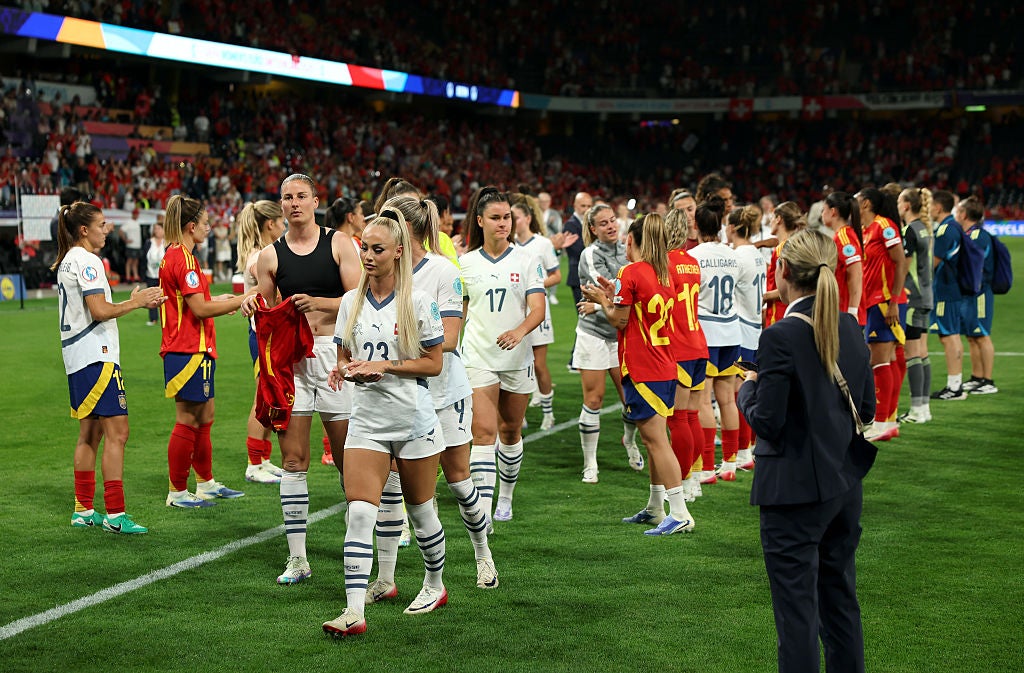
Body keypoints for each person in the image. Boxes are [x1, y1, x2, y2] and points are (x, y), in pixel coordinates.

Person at [737, 228, 874, 673]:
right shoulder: (849, 325)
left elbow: (769, 422)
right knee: (839, 604)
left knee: (797, 617)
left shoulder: (781, 336)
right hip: (843, 483)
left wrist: (746, 392)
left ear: (783, 271)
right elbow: (867, 409)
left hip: (793, 491)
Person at [321, 209, 447, 637]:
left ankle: (434, 584)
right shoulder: (351, 301)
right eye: (364, 248)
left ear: (398, 252)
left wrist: (386, 366)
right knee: (358, 513)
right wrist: (345, 368)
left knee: (421, 511)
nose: (368, 256)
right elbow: (342, 353)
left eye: (377, 249)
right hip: (367, 422)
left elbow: (434, 363)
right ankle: (354, 611)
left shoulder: (417, 301)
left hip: (412, 420)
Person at [364, 194, 498, 597]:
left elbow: (451, 339)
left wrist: (392, 347)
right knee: (390, 488)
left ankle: (482, 554)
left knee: (458, 480)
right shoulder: (378, 271)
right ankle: (386, 578)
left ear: (404, 231)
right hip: (394, 394)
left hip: (440, 393)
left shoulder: (441, 271)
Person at [243, 174, 361, 584]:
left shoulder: (340, 244)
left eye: (301, 196)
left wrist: (320, 303)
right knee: (294, 460)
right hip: (291, 362)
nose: (294, 203)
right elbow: (269, 306)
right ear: (281, 204)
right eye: (287, 197)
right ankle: (298, 559)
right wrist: (251, 303)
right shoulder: (268, 257)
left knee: (350, 459)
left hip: (334, 356)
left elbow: (360, 299)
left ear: (315, 201)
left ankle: (357, 547)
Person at [52, 202, 165, 534]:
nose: (107, 229)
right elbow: (99, 310)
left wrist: (126, 301)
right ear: (84, 230)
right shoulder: (87, 261)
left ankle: (83, 510)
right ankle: (115, 515)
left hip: (77, 358)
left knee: (90, 434)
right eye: (102, 224)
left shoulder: (67, 260)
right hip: (96, 356)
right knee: (118, 433)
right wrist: (138, 302)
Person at [582, 213, 696, 535]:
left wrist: (602, 300)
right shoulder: (665, 271)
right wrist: (612, 294)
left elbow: (618, 320)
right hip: (665, 363)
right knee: (654, 438)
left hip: (644, 365)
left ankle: (680, 511)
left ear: (630, 240)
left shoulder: (629, 272)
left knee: (656, 439)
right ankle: (656, 506)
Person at [159, 194, 252, 509]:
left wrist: (222, 299)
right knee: (187, 418)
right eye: (206, 224)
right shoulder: (182, 258)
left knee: (206, 415)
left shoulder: (181, 255)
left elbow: (195, 300)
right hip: (186, 349)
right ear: (191, 226)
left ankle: (206, 483)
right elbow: (198, 308)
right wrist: (241, 300)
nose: (209, 229)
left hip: (196, 347)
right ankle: (177, 492)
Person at [461, 187, 546, 524]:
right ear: (480, 221)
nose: (503, 223)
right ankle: (483, 512)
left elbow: (537, 309)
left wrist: (519, 332)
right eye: (495, 218)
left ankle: (506, 499)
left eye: (507, 217)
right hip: (478, 356)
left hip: (517, 358)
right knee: (483, 432)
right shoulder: (465, 263)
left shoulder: (527, 260)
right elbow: (460, 311)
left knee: (510, 431)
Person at [573, 203, 637, 481]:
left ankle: (630, 441)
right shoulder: (589, 254)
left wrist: (600, 304)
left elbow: (622, 292)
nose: (611, 226)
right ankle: (590, 463)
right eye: (604, 223)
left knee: (633, 401)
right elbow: (608, 289)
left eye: (613, 221)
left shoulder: (630, 250)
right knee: (594, 399)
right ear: (593, 229)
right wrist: (605, 303)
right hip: (594, 334)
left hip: (624, 333)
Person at [689, 197, 743, 483]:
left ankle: (707, 467)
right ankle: (731, 463)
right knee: (727, 399)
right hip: (732, 331)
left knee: (703, 402)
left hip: (707, 334)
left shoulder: (694, 257)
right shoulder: (733, 255)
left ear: (696, 224)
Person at [235, 200, 288, 483]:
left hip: (269, 337)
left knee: (269, 399)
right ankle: (254, 463)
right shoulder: (260, 257)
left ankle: (264, 459)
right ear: (271, 224)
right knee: (262, 399)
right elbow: (271, 292)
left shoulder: (263, 253)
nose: (284, 225)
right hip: (263, 337)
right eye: (281, 221)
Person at [664, 207, 710, 499]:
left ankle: (681, 483)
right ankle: (693, 478)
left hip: (679, 346)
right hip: (698, 343)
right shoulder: (692, 262)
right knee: (692, 415)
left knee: (678, 419)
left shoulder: (665, 263)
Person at [856, 188, 908, 441]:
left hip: (884, 302)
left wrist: (894, 301)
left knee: (879, 362)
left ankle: (881, 422)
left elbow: (901, 261)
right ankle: (888, 420)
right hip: (874, 302)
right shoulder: (866, 231)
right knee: (888, 359)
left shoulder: (884, 227)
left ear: (865, 204)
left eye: (856, 200)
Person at [512, 193, 560, 431]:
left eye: (515, 217)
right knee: (518, 364)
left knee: (539, 365)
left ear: (528, 218)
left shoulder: (543, 244)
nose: (512, 221)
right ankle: (519, 414)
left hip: (538, 310)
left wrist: (535, 287)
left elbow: (556, 275)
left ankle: (548, 412)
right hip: (515, 312)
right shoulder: (508, 245)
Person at [727, 205, 767, 473]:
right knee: (749, 387)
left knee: (737, 392)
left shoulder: (737, 257)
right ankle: (749, 447)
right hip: (755, 326)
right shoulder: (757, 255)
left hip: (740, 328)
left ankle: (741, 453)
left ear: (731, 227)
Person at [897, 188, 935, 422]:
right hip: (927, 294)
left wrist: (895, 294)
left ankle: (916, 409)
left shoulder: (910, 230)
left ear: (907, 206)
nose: (898, 205)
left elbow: (904, 266)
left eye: (900, 201)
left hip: (912, 296)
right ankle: (924, 408)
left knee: (912, 354)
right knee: (922, 352)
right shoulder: (924, 228)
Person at [956, 196, 999, 395]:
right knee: (972, 336)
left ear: (964, 214)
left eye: (958, 211)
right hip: (970, 294)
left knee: (982, 335)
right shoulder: (970, 234)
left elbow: (976, 267)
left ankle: (988, 380)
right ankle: (977, 377)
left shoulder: (978, 236)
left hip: (980, 293)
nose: (956, 214)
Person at [928, 190, 968, 400]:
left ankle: (955, 387)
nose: (929, 208)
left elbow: (931, 264)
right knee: (950, 335)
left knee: (949, 336)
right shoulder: (952, 226)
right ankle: (955, 385)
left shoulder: (945, 230)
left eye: (931, 205)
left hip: (946, 289)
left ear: (938, 207)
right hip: (950, 288)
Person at [821, 192, 865, 326]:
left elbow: (856, 273)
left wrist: (852, 311)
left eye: (823, 210)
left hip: (846, 312)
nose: (822, 214)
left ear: (833, 211)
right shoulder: (842, 236)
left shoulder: (844, 238)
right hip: (841, 311)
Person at [763, 202, 807, 328]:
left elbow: (790, 284)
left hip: (780, 311)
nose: (770, 221)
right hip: (790, 311)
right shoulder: (793, 244)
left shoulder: (783, 248)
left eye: (772, 217)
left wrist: (765, 297)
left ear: (778, 219)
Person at [142, 217, 166, 326]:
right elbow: (143, 258)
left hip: (163, 275)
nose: (157, 231)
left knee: (165, 297)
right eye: (155, 229)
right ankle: (153, 319)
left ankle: (167, 318)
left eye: (159, 228)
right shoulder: (148, 242)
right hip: (150, 273)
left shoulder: (167, 243)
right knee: (152, 297)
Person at [120, 207, 143, 282]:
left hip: (137, 245)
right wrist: (125, 240)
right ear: (133, 214)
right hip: (131, 245)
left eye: (137, 214)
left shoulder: (137, 222)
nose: (136, 215)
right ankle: (128, 277)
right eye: (135, 214)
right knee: (129, 261)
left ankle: (136, 276)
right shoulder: (129, 222)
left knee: (135, 261)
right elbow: (121, 231)